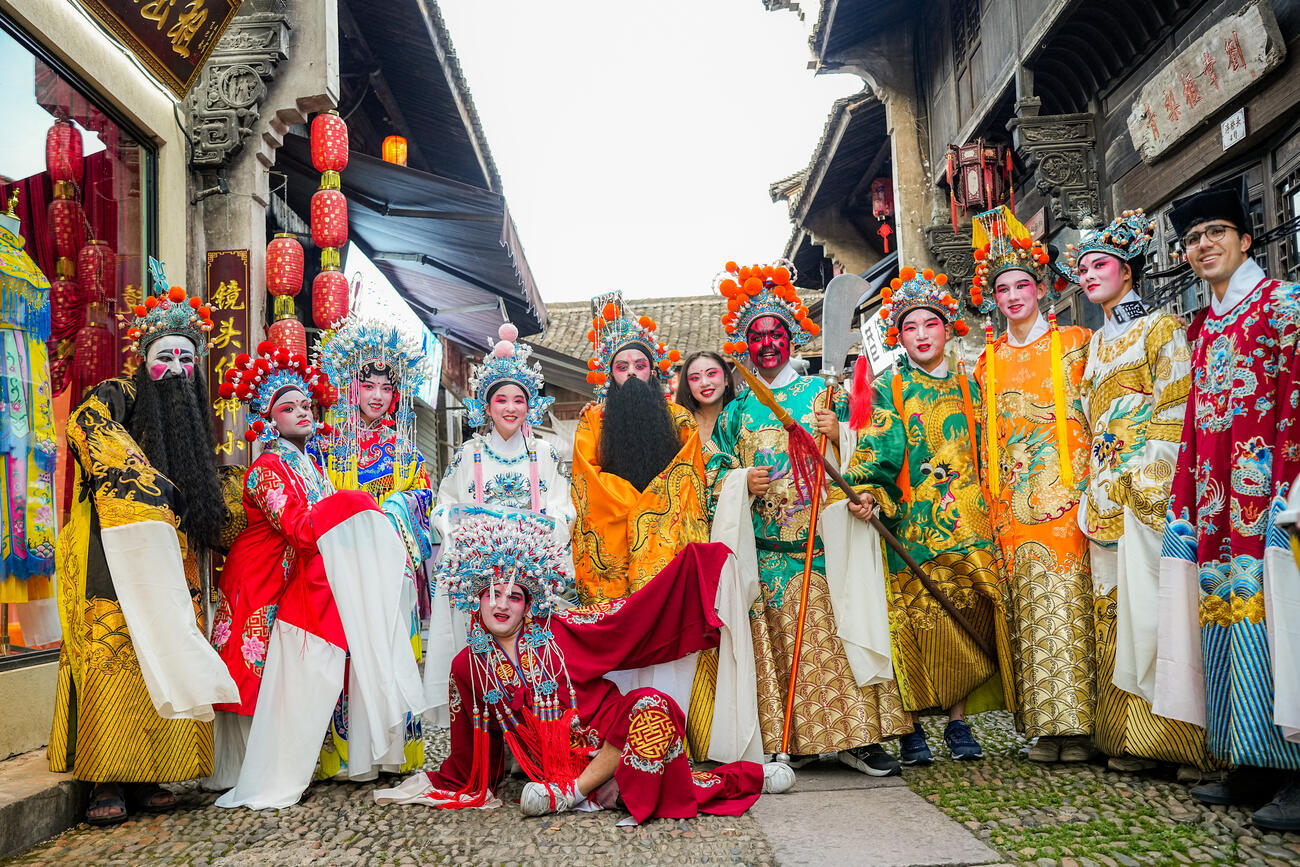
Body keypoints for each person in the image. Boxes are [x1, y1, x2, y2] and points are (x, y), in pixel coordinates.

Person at [374, 511, 792, 821]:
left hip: (611, 739)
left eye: (514, 596)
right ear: (476, 597)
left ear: (529, 604)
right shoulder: (468, 666)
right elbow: (469, 745)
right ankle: (612, 788)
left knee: (655, 706)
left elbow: (627, 619)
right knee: (657, 788)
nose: (501, 605)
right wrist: (448, 780)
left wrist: (696, 568)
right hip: (558, 765)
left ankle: (575, 793)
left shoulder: (560, 629)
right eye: (492, 593)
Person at [48, 274, 238, 826]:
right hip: (112, 546)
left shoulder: (195, 426)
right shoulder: (119, 393)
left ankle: (152, 770)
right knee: (118, 652)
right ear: (143, 361)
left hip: (169, 559)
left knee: (167, 647)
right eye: (165, 356)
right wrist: (148, 488)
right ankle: (106, 777)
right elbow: (86, 427)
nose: (177, 367)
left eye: (186, 357)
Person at [708, 260, 910, 776]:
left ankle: (857, 739)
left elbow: (884, 440)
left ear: (793, 337)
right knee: (774, 647)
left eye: (777, 334)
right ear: (746, 345)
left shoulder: (823, 393)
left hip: (820, 547)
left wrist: (841, 433)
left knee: (835, 639)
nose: (768, 344)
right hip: (766, 551)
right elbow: (713, 474)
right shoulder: (735, 413)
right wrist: (739, 484)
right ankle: (787, 743)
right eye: (758, 336)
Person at [208, 343, 426, 809]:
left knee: (283, 673)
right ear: (268, 420)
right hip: (262, 576)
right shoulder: (268, 467)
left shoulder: (306, 461)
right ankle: (248, 765)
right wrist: (355, 505)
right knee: (258, 670)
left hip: (294, 571)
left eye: (306, 404)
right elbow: (300, 528)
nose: (303, 412)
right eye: (288, 407)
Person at [1156, 180, 1300, 830]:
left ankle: (1296, 772)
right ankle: (1252, 759)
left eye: (1216, 230)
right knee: (1231, 620)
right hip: (1216, 507)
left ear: (1246, 238)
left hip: (1272, 494)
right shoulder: (1207, 325)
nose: (1203, 244)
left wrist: (1293, 486)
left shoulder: (1282, 305)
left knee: (1284, 623)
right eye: (1192, 238)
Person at [1060, 210, 1220, 776]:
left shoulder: (1161, 329)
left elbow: (1175, 408)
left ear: (1129, 272)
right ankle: (1126, 737)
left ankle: (1180, 742)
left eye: (1100, 264)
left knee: (1157, 608)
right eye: (1082, 269)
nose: (1089, 276)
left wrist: (1145, 480)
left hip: (1149, 490)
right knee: (1112, 610)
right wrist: (1093, 487)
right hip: (1103, 492)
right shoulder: (1094, 347)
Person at [842, 266, 1013, 765]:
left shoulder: (974, 386)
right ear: (900, 336)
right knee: (915, 625)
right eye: (910, 327)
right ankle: (912, 727)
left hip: (971, 525)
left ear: (947, 328)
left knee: (965, 618)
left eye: (930, 325)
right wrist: (868, 492)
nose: (921, 335)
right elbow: (875, 454)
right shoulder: (890, 389)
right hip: (911, 528)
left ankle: (958, 722)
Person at [971, 206, 1097, 763]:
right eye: (1003, 288)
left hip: (1069, 496)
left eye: (1023, 284)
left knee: (1073, 605)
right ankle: (1046, 729)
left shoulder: (1074, 342)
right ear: (993, 299)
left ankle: (1087, 726)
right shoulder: (986, 362)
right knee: (1028, 610)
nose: (1014, 295)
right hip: (1012, 504)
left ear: (1041, 290)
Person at [425, 322, 573, 728]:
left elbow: (565, 509)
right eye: (501, 400)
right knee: (481, 657)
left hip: (529, 576)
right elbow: (444, 507)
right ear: (485, 407)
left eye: (519, 400)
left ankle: (533, 730)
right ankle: (485, 734)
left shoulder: (545, 454)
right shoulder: (467, 454)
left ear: (531, 406)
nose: (510, 408)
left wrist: (538, 533)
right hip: (482, 580)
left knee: (533, 657)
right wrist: (462, 527)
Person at [312, 315, 437, 781]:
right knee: (346, 657)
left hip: (390, 565)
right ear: (351, 387)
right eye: (369, 385)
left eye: (387, 387)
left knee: (389, 649)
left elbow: (422, 495)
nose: (379, 396)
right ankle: (347, 758)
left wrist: (391, 511)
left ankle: (392, 752)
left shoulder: (405, 451)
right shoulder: (325, 447)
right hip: (342, 564)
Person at [570, 297, 708, 605]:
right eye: (622, 367)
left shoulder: (679, 418)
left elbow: (688, 477)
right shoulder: (592, 420)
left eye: (640, 365)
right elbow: (586, 478)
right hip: (612, 540)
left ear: (652, 371)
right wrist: (635, 504)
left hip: (667, 541)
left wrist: (651, 507)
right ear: (611, 374)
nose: (631, 372)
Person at [676, 350, 736, 451]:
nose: (704, 383)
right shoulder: (678, 426)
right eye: (695, 378)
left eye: (711, 373)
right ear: (687, 386)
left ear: (726, 378)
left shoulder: (743, 420)